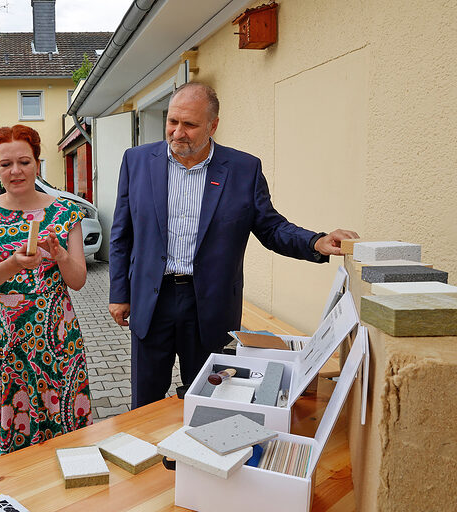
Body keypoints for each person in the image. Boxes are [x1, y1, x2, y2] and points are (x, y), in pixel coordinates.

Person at [108, 82, 359, 409]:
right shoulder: (136, 161)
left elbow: (271, 227)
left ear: (213, 126)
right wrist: (119, 294)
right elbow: (121, 233)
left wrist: (317, 241)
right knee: (145, 402)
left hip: (208, 306)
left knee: (209, 401)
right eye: (172, 121)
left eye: (190, 125)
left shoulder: (242, 169)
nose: (178, 132)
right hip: (151, 301)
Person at [0, 125, 92, 462]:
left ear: (37, 163)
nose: (15, 171)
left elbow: (77, 281)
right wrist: (13, 264)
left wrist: (61, 255)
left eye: (24, 161)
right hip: (2, 340)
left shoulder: (65, 213)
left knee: (60, 428)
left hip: (56, 338)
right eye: (5, 164)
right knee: (10, 426)